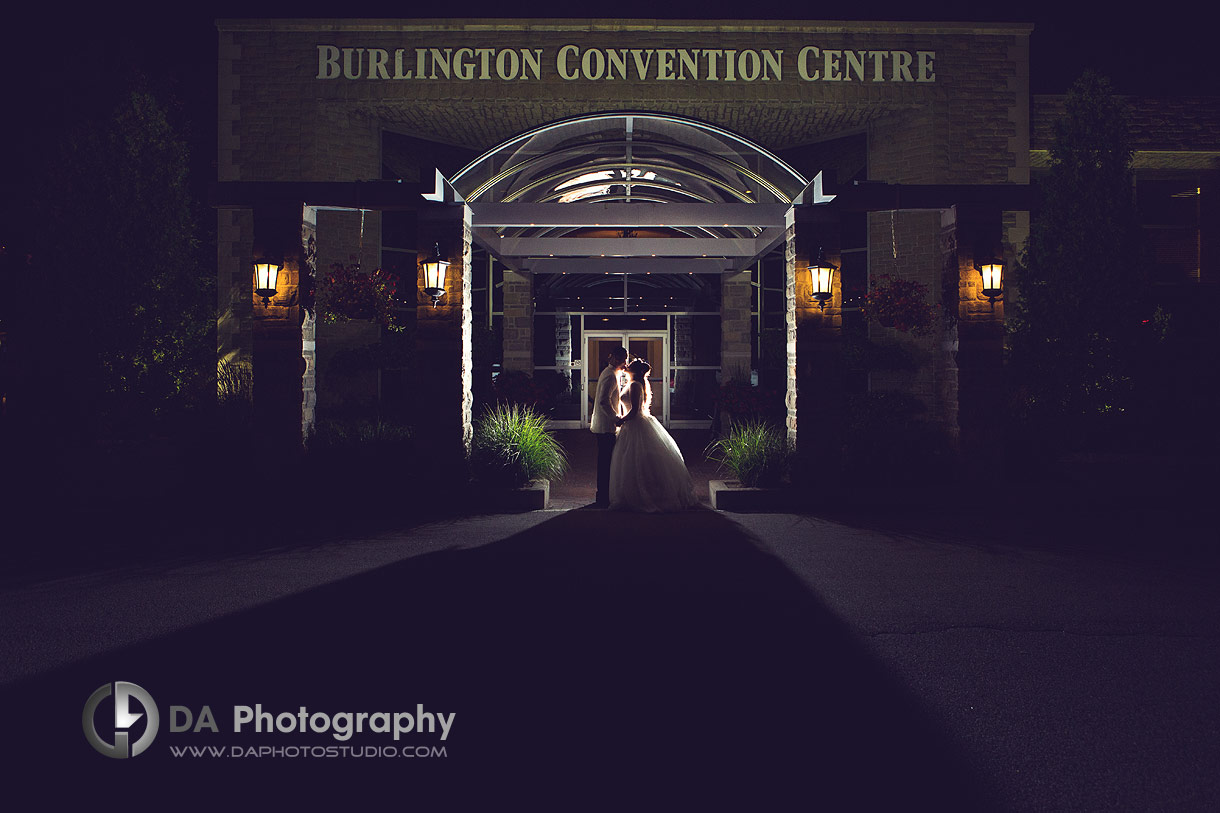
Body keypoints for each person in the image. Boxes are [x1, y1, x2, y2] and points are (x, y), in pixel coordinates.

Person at [609, 358, 699, 512]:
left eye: (629, 365)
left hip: (635, 424)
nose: (627, 366)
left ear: (634, 371)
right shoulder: (633, 384)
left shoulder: (636, 385)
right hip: (631, 425)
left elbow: (634, 410)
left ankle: (644, 495)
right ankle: (633, 493)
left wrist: (621, 420)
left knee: (636, 461)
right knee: (631, 461)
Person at [590, 345, 628, 507]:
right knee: (606, 462)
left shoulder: (609, 373)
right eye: (622, 359)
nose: (622, 362)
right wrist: (616, 418)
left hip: (604, 425)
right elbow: (603, 401)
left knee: (605, 461)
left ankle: (603, 495)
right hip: (606, 426)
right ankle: (603, 496)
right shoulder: (611, 375)